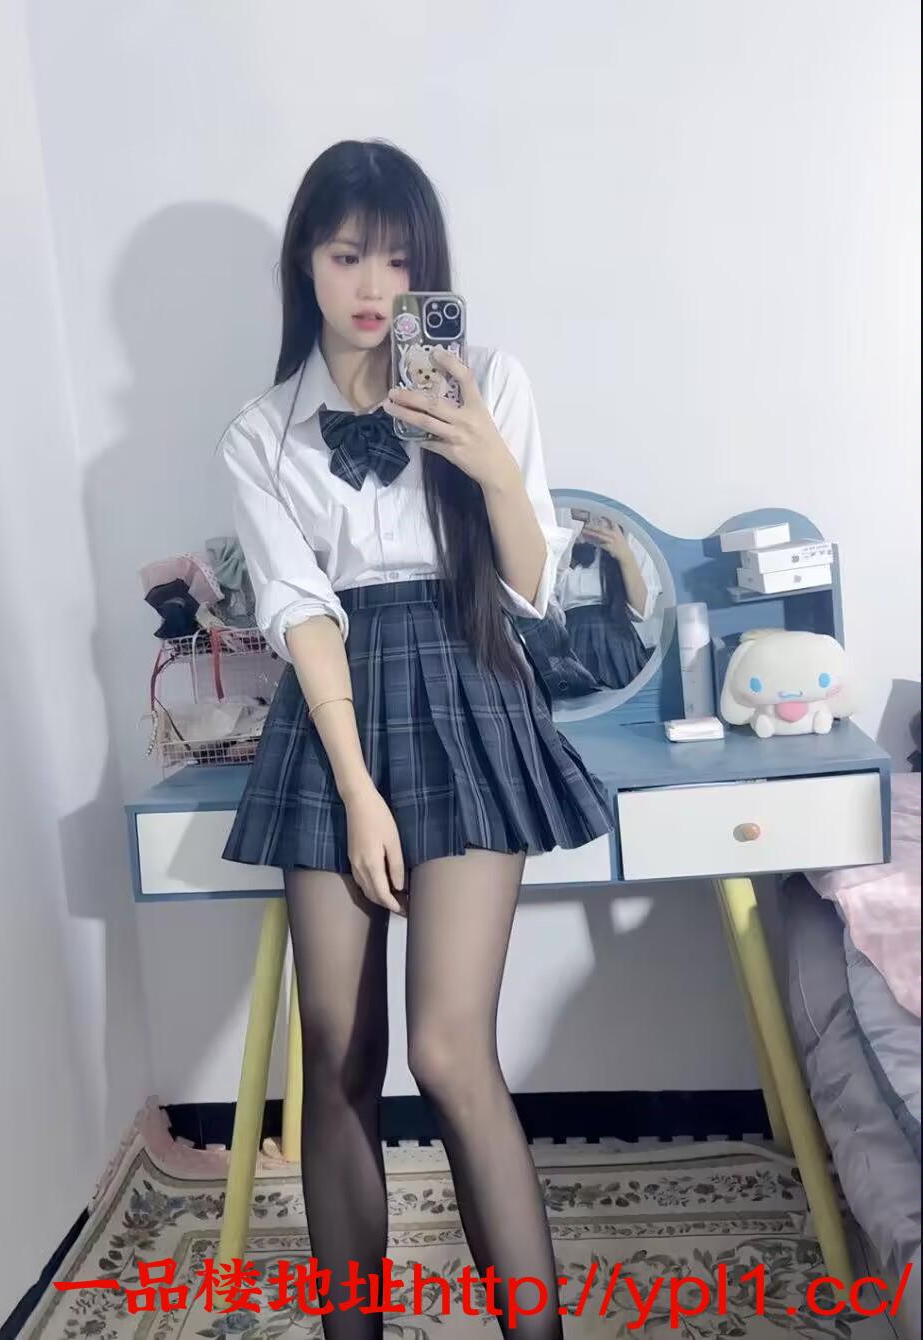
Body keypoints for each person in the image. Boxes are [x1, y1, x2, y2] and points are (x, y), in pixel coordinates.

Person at [218, 139, 612, 1339]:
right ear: (305, 260)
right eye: (348, 255)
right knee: (339, 1052)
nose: (373, 285)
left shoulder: (485, 378)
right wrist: (357, 790)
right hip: (335, 710)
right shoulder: (262, 431)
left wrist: (487, 459)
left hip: (468, 686)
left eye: (398, 259)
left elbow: (533, 585)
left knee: (447, 1049)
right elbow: (300, 612)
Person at [553, 506, 662, 690]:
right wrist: (569, 542)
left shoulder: (632, 533)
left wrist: (624, 554)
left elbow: (642, 610)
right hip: (570, 636)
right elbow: (545, 601)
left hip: (617, 638)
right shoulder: (558, 527)